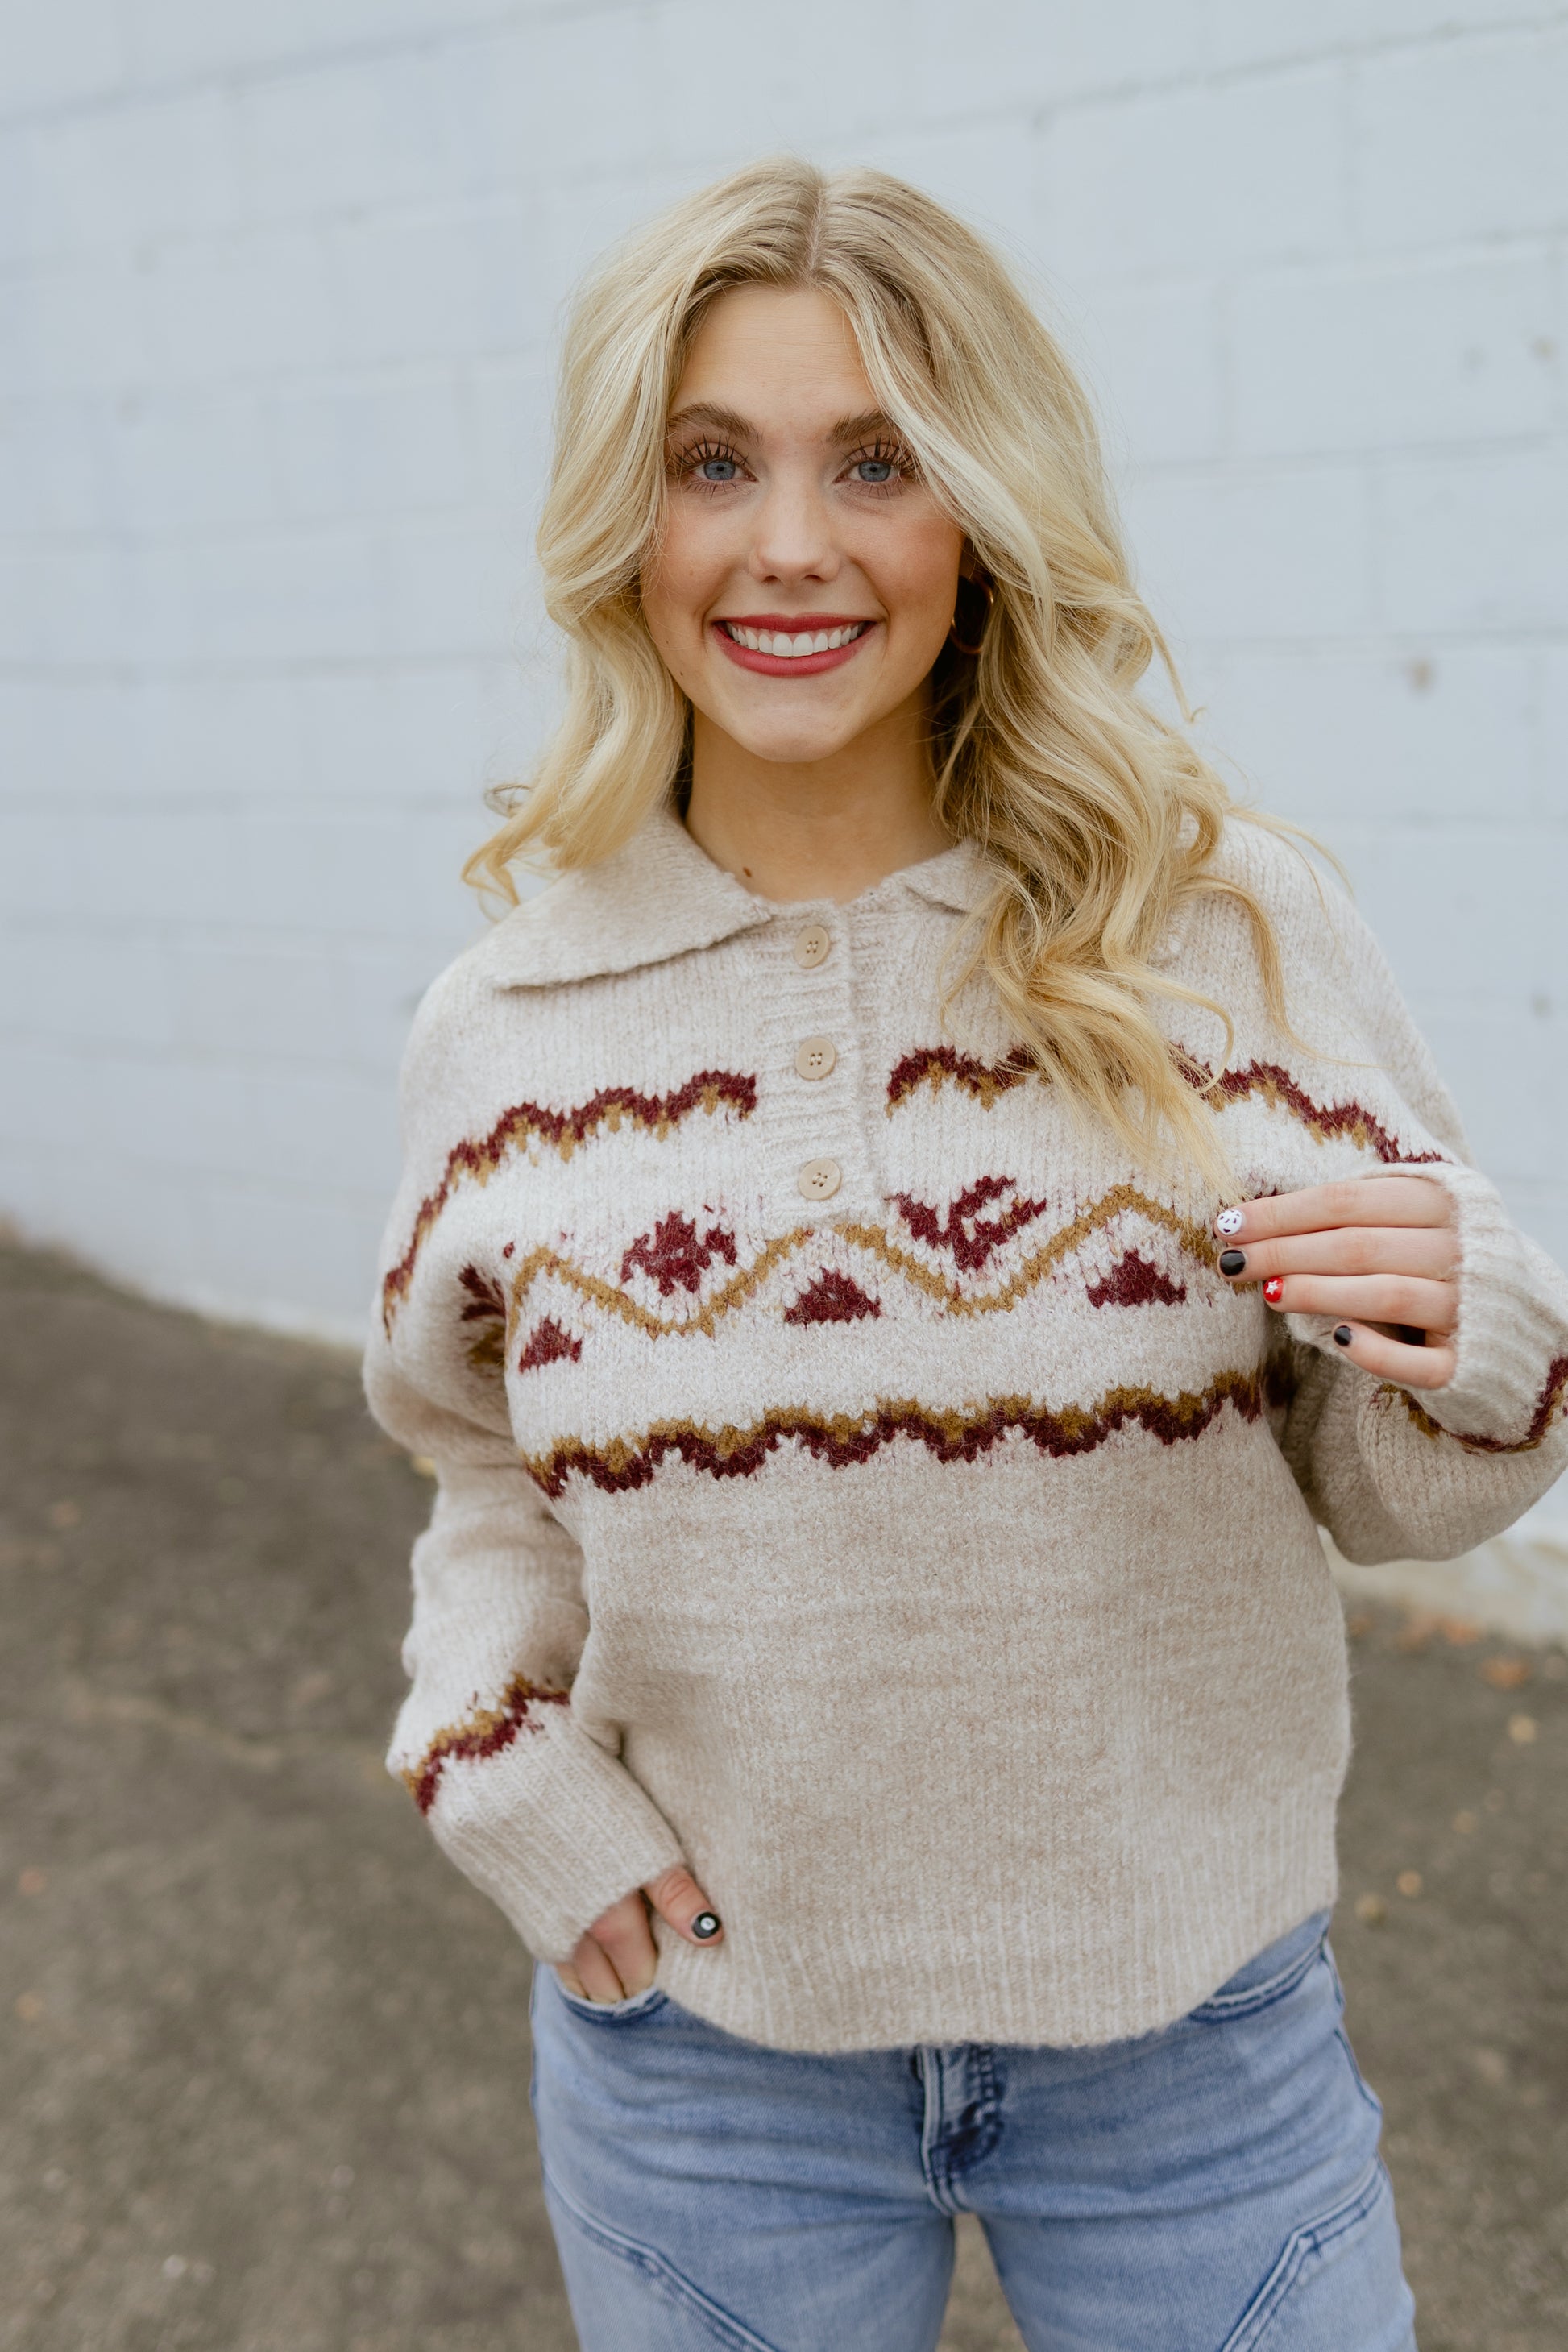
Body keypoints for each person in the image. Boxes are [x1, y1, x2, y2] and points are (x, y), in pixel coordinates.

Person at [364, 159, 1568, 2352]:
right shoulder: (505, 1026)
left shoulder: (1221, 931)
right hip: (705, 2065)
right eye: (711, 463)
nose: (788, 543)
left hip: (1193, 2055)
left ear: (984, 514)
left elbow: (1393, 1487)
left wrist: (1472, 1321)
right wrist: (492, 1748)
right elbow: (491, 1472)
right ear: (625, 519)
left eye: (877, 461)